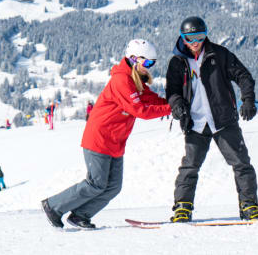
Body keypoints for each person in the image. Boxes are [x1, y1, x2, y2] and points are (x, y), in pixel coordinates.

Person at [41, 39, 171, 229]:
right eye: (147, 63)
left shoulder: (135, 80)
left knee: (112, 187)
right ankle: (53, 206)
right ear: (134, 59)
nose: (149, 67)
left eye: (153, 63)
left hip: (115, 141)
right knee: (96, 184)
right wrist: (170, 110)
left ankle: (80, 216)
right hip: (100, 139)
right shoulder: (122, 80)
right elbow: (140, 110)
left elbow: (150, 98)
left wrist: (172, 103)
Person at [166, 16, 258, 222]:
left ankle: (249, 207)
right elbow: (172, 91)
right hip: (195, 123)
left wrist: (248, 100)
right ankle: (182, 207)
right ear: (182, 38)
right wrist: (177, 106)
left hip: (223, 120)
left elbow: (243, 76)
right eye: (190, 38)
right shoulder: (177, 62)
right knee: (190, 166)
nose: (195, 43)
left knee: (241, 164)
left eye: (200, 37)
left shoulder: (218, 55)